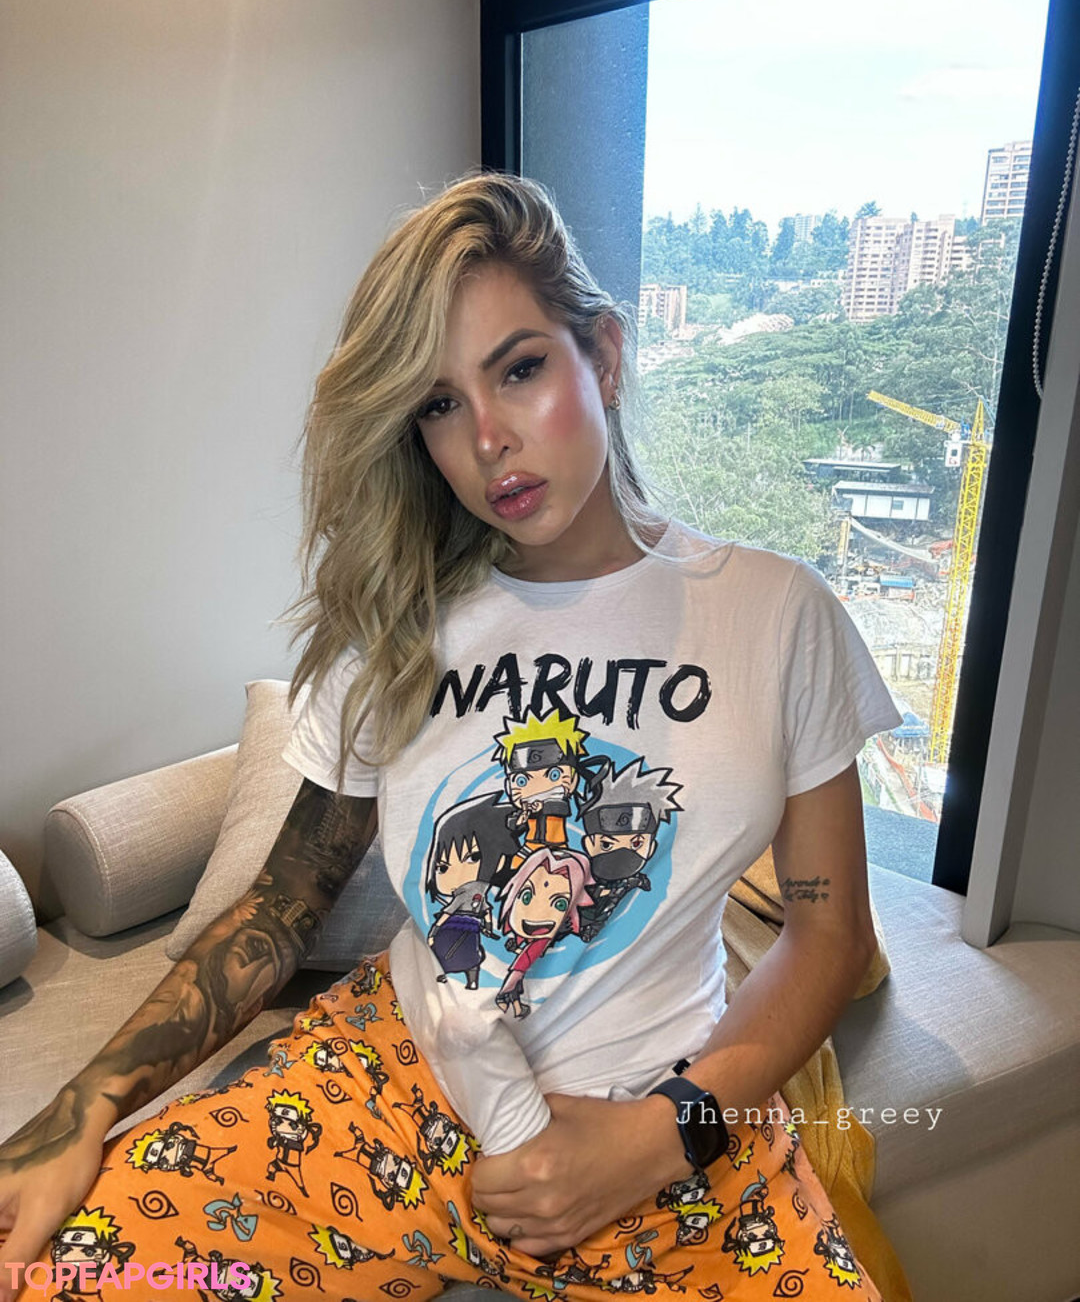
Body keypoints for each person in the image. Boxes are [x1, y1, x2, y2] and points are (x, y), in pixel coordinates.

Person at [0, 172, 902, 1301]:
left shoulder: (776, 614)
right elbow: (277, 912)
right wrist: (76, 1112)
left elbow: (827, 934)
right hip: (390, 1086)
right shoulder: (400, 625)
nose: (486, 438)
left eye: (519, 369)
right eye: (436, 403)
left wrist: (667, 1134)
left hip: (661, 1129)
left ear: (604, 356)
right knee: (56, 1270)